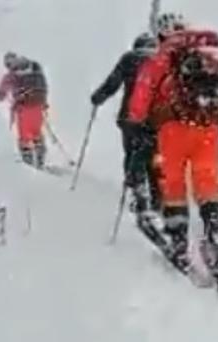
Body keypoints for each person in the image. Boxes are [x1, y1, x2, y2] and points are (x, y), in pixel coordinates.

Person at [125, 13, 218, 285]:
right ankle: (216, 233)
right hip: (209, 128)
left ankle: (178, 242)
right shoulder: (211, 52)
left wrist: (135, 118)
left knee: (173, 185)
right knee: (208, 185)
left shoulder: (166, 52)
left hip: (172, 127)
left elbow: (145, 86)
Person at [90, 32, 160, 222]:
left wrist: (99, 97)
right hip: (156, 118)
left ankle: (138, 192)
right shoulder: (161, 61)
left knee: (133, 153)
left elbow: (113, 81)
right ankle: (157, 197)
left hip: (130, 117)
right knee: (154, 157)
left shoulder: (130, 59)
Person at [0, 52, 49, 167]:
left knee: (24, 136)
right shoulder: (34, 68)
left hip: (24, 106)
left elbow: (2, 92)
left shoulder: (12, 75)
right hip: (39, 105)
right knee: (36, 132)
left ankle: (28, 164)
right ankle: (40, 159)